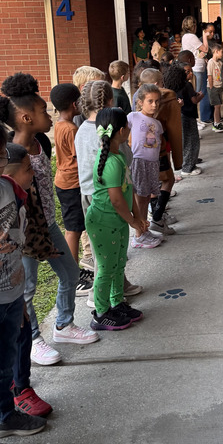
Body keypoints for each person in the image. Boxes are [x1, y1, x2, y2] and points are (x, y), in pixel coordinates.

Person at [0, 74, 98, 362]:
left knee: (70, 273)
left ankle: (64, 325)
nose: (49, 117)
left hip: (47, 225)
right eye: (43, 112)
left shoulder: (41, 144)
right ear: (26, 118)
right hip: (23, 234)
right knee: (27, 287)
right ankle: (34, 338)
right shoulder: (10, 156)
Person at [0, 118, 47, 444]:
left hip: (10, 295)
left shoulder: (11, 189)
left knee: (4, 363)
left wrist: (20, 297)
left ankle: (3, 415)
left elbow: (18, 236)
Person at [75, 79, 148, 286]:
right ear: (110, 101)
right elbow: (127, 159)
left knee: (102, 247)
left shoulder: (81, 130)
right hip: (109, 195)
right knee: (112, 247)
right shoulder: (112, 128)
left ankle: (118, 285)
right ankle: (100, 294)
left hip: (88, 193)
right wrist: (134, 219)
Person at [86, 108, 147, 332]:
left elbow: (127, 190)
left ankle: (117, 302)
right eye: (128, 127)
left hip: (116, 220)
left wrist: (137, 216)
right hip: (104, 221)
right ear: (121, 131)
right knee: (106, 268)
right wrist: (132, 221)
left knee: (118, 263)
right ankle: (101, 313)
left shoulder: (118, 157)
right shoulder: (112, 162)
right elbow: (116, 200)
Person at [50, 82, 93, 294]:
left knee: (74, 227)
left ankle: (75, 270)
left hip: (65, 181)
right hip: (72, 183)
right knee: (73, 229)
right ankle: (73, 275)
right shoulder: (72, 129)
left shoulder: (60, 125)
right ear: (75, 104)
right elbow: (80, 157)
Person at [127, 84, 165, 249]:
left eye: (157, 101)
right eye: (150, 101)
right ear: (140, 102)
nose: (154, 105)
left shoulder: (157, 123)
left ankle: (144, 230)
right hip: (139, 162)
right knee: (140, 199)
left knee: (147, 197)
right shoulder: (133, 117)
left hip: (152, 164)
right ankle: (138, 235)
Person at [168, 53, 203, 176]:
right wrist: (201, 96)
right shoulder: (187, 85)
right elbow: (194, 100)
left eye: (191, 71)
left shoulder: (174, 84)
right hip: (188, 115)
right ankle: (188, 168)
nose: (190, 74)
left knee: (186, 141)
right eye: (187, 72)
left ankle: (188, 163)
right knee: (191, 141)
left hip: (181, 115)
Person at [181, 17, 214, 127]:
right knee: (197, 94)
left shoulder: (185, 37)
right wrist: (204, 36)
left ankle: (198, 119)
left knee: (197, 92)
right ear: (193, 26)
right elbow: (205, 49)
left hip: (196, 66)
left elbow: (196, 52)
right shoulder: (192, 36)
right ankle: (196, 119)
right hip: (197, 67)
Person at [207, 43, 223, 133]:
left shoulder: (220, 63)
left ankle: (218, 123)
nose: (222, 54)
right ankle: (216, 124)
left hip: (218, 86)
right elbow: (210, 76)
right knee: (217, 106)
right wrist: (211, 87)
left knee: (218, 105)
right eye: (221, 52)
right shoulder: (211, 62)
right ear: (216, 52)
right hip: (213, 87)